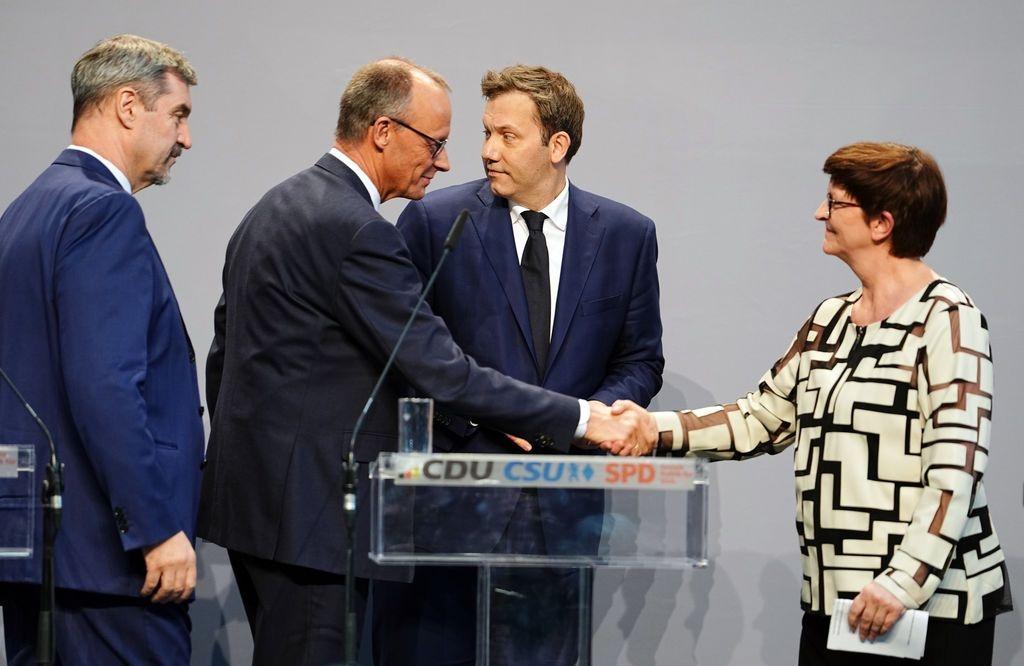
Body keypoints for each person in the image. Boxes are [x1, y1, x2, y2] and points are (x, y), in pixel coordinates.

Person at [197, 57, 653, 665]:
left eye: (503, 135)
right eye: (439, 143)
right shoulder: (372, 227)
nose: (450, 160)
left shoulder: (281, 204)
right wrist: (579, 419)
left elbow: (225, 352)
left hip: (278, 511)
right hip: (336, 519)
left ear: (558, 145)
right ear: (384, 132)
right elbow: (438, 368)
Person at [639, 142, 1012, 665]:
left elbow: (957, 470)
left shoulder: (948, 319)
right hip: (837, 599)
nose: (820, 213)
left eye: (835, 204)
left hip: (924, 607)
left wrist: (903, 583)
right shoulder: (831, 318)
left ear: (881, 223)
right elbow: (760, 418)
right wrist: (648, 429)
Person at [389, 64, 663, 665]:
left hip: (566, 501)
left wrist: (585, 418)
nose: (487, 151)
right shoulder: (438, 223)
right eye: (487, 133)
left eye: (507, 137)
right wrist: (486, 423)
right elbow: (408, 357)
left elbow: (641, 360)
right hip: (457, 498)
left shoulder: (625, 234)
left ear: (557, 145)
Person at [0, 34, 203, 664]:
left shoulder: (25, 210)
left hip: (38, 554)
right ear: (125, 105)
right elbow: (105, 385)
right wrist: (155, 527)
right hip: (110, 566)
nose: (185, 139)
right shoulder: (101, 211)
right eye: (178, 115)